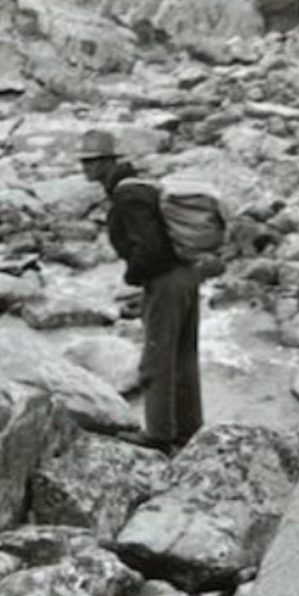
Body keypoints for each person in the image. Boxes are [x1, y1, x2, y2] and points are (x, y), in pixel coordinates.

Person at [78, 129, 203, 449]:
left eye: (90, 161)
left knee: (156, 360)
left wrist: (133, 277)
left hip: (166, 282)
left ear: (107, 162)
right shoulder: (139, 185)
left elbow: (148, 247)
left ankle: (159, 434)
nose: (84, 167)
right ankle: (190, 431)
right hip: (186, 275)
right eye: (84, 161)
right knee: (184, 356)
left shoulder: (126, 196)